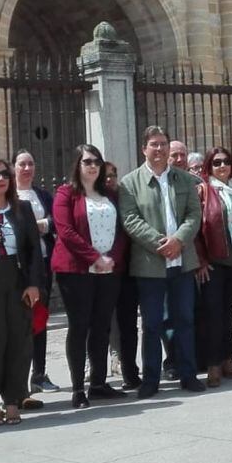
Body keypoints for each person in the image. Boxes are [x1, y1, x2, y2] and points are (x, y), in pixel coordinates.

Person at [118, 126, 206, 398]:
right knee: (152, 324)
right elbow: (130, 220)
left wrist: (178, 240)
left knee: (185, 320)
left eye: (163, 144)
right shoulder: (129, 183)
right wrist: (161, 243)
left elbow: (194, 213)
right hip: (150, 263)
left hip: (182, 260)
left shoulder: (185, 180)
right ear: (144, 149)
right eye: (154, 144)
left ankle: (188, 374)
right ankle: (151, 379)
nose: (160, 149)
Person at [0, 158, 45, 426]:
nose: (1, 179)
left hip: (16, 279)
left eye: (5, 174)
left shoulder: (22, 209)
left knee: (18, 341)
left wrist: (34, 282)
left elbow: (34, 250)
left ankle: (12, 399)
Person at [52, 145, 128, 408]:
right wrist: (94, 257)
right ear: (77, 165)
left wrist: (112, 258)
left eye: (97, 161)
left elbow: (122, 229)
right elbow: (66, 231)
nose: (93, 166)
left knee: (102, 325)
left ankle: (98, 382)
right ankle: (77, 388)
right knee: (80, 326)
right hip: (76, 270)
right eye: (87, 161)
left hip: (108, 270)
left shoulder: (110, 195)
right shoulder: (66, 194)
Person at [194, 147, 232, 385]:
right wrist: (201, 260)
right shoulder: (203, 191)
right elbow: (195, 229)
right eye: (216, 163)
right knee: (212, 314)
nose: (222, 166)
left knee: (229, 311)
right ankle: (213, 364)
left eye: (226, 161)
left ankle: (228, 358)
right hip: (214, 262)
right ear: (209, 166)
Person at [13, 150, 59, 395]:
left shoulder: (42, 195)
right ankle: (17, 377)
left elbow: (57, 220)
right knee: (17, 322)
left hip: (41, 264)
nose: (27, 168)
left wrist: (45, 225)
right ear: (14, 168)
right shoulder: (7, 195)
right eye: (22, 164)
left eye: (31, 163)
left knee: (39, 319)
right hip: (15, 268)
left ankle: (39, 373)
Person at [106, 161, 140, 390]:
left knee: (129, 324)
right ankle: (98, 374)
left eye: (113, 175)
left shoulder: (124, 196)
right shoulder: (92, 199)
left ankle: (131, 372)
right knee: (99, 325)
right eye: (105, 175)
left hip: (126, 268)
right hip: (100, 270)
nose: (110, 179)